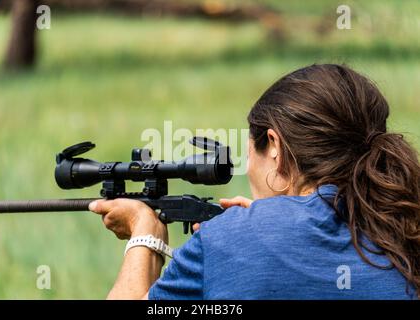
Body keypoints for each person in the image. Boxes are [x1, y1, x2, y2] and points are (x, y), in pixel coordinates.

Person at [89, 64, 419, 299]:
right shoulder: (406, 225)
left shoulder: (226, 238)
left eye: (250, 155)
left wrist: (145, 237)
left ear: (274, 147)